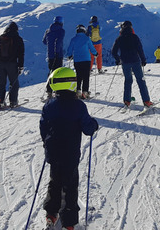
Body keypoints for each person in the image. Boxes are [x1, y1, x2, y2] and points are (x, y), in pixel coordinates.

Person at [40, 67, 99, 230]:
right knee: (70, 187)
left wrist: (46, 143)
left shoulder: (48, 106)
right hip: (70, 155)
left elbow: (43, 127)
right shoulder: (78, 106)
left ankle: (51, 214)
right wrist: (94, 125)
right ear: (72, 84)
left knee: (55, 182)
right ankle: (69, 222)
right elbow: (88, 128)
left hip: (53, 152)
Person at [111, 21, 153, 108]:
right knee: (141, 81)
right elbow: (140, 49)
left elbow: (113, 51)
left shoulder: (119, 38)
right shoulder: (135, 37)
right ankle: (146, 101)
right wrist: (143, 60)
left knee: (128, 81)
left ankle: (127, 101)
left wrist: (118, 59)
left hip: (125, 62)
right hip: (135, 61)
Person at [0, 22, 25, 108]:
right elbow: (21, 54)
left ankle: (0, 101)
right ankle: (13, 102)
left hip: (0, 64)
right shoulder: (18, 39)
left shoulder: (1, 38)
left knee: (1, 83)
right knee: (13, 83)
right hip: (11, 64)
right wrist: (20, 66)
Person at [67, 25, 98, 99]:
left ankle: (78, 91)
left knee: (78, 75)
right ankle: (85, 92)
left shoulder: (73, 39)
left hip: (77, 60)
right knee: (86, 76)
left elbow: (70, 49)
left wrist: (70, 55)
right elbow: (91, 48)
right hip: (86, 60)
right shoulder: (87, 38)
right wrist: (95, 54)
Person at [42, 16, 65, 99]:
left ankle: (49, 91)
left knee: (51, 72)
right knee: (58, 73)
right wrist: (57, 52)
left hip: (50, 56)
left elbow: (44, 42)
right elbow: (58, 42)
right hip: (58, 55)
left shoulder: (48, 31)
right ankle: (57, 91)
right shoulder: (61, 31)